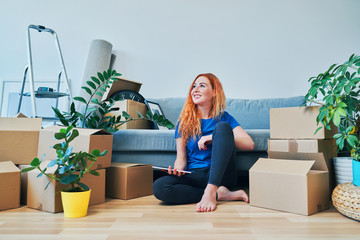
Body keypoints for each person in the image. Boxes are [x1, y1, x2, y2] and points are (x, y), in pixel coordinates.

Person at [152, 73, 255, 212]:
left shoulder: (224, 118)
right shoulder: (184, 122)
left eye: (202, 85)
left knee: (223, 128)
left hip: (221, 177)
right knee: (160, 187)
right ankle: (219, 194)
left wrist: (213, 137)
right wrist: (176, 171)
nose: (195, 89)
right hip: (196, 175)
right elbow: (181, 159)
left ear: (214, 92)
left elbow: (249, 144)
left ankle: (212, 189)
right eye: (194, 86)